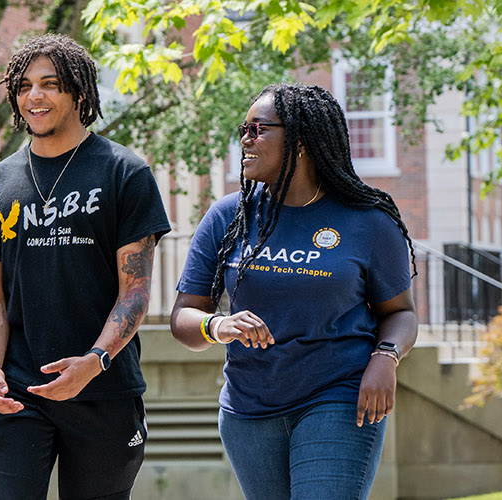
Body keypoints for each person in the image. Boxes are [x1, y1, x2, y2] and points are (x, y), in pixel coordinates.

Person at [170, 83, 418, 500]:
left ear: (301, 140)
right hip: (249, 407)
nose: (245, 140)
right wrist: (219, 325)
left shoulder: (368, 221)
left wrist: (385, 358)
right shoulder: (228, 217)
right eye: (243, 129)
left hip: (339, 396)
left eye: (258, 129)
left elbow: (401, 312)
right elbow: (184, 317)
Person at [0, 33, 171, 499]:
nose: (34, 96)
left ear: (78, 92)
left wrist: (94, 361)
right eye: (24, 86)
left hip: (103, 387)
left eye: (50, 84)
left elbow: (134, 292)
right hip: (17, 392)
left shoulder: (124, 173)